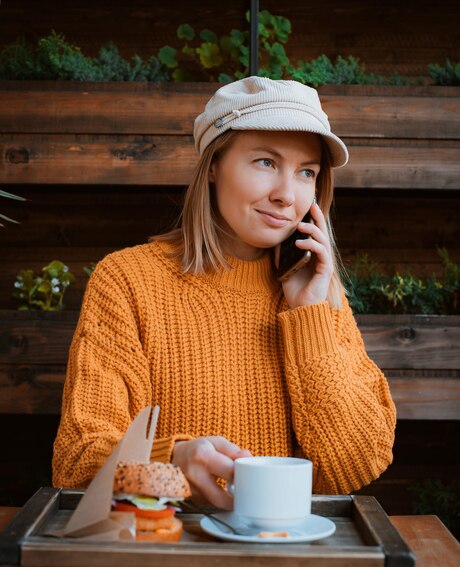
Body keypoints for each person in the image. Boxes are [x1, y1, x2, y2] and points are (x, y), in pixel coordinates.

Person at [52, 77, 396, 509]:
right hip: (166, 555)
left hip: (289, 554)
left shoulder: (318, 295)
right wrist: (171, 464)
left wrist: (309, 316)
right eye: (265, 162)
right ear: (213, 165)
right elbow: (76, 464)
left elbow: (354, 465)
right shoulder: (127, 280)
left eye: (306, 171)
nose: (286, 195)